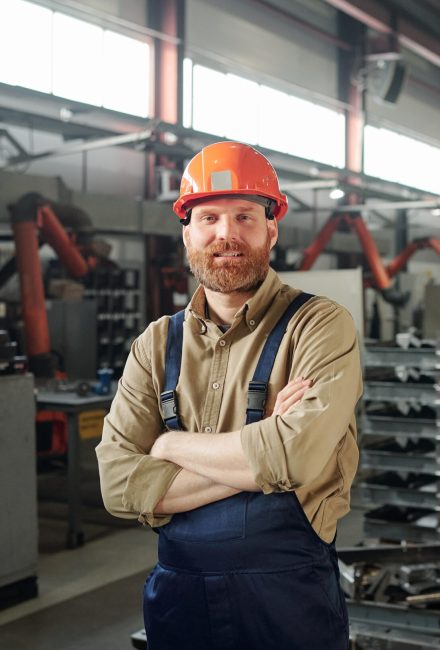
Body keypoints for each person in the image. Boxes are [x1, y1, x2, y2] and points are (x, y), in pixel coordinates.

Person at [95, 141, 362, 650]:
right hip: (179, 601)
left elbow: (296, 456)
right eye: (209, 217)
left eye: (244, 216)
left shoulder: (319, 325)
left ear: (271, 228)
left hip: (288, 602)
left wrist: (169, 447)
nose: (227, 234)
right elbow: (118, 483)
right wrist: (261, 453)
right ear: (187, 233)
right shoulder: (155, 343)